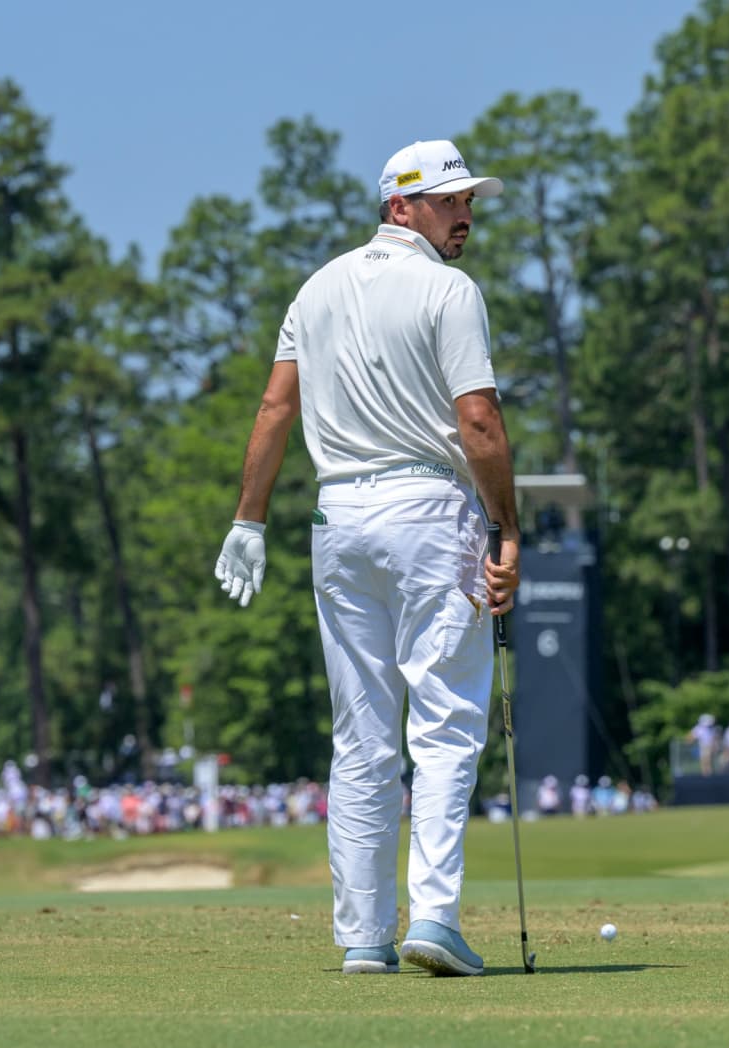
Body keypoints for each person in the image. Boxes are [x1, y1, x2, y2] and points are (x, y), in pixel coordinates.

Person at [215, 139, 517, 978]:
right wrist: (509, 528)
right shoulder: (450, 291)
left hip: (336, 513)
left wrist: (250, 518)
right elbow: (480, 422)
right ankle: (436, 918)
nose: (464, 214)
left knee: (362, 736)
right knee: (446, 721)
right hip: (427, 506)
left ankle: (364, 939)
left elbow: (277, 407)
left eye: (467, 201)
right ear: (400, 208)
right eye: (449, 201)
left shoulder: (313, 289)